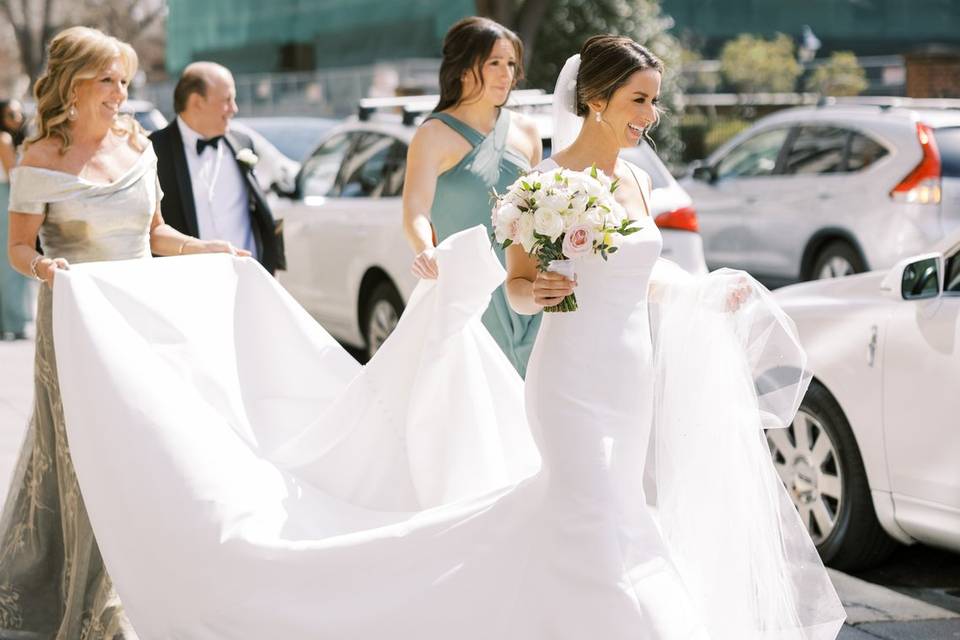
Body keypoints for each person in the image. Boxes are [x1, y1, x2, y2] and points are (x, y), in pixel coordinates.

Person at [31, 31, 845, 639]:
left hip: (627, 374)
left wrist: (708, 298)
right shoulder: (553, 182)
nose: (653, 116)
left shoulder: (630, 178)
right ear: (598, 101)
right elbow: (522, 287)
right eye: (640, 100)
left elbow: (651, 274)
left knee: (613, 507)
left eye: (655, 101)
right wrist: (528, 284)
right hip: (569, 380)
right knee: (588, 504)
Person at [0, 26, 246, 638]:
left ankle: (152, 584)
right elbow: (18, 248)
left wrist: (201, 247)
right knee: (83, 458)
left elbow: (155, 233)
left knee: (147, 449)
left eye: (124, 81)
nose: (119, 93)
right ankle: (86, 599)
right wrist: (45, 268)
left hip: (140, 324)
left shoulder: (138, 146)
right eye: (107, 79)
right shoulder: (39, 159)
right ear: (73, 85)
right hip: (77, 326)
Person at [403, 16, 542, 377]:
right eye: (494, 62)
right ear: (464, 67)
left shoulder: (527, 131)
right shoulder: (433, 135)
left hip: (527, 290)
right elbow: (415, 209)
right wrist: (424, 248)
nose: (506, 74)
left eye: (511, 64)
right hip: (469, 293)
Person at [150, 62, 285, 275]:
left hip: (247, 278)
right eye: (227, 100)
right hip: (186, 283)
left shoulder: (243, 143)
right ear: (196, 102)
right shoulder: (153, 150)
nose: (234, 108)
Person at [0, 99, 31, 340]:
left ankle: (10, 320)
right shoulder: (5, 139)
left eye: (20, 113)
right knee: (10, 262)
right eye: (11, 113)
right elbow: (14, 175)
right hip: (7, 198)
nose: (18, 118)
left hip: (9, 196)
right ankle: (13, 320)